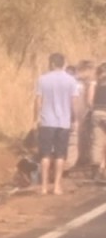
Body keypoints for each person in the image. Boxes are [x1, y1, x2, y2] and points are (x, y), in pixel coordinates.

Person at [34, 52, 78, 195]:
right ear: (63, 64)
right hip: (63, 122)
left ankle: (44, 187)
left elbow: (38, 101)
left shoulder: (42, 79)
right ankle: (57, 186)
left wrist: (36, 118)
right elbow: (74, 103)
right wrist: (75, 119)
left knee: (45, 154)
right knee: (60, 155)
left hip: (47, 121)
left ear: (52, 63)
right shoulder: (71, 81)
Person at [91, 62, 106, 180]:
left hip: (96, 113)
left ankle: (96, 170)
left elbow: (89, 101)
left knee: (97, 142)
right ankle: (103, 168)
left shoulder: (95, 84)